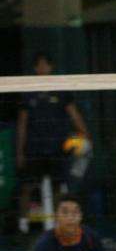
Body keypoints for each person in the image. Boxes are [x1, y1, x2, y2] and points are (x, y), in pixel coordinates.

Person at [16, 53, 91, 234]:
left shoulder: (61, 89)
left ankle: (61, 224)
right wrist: (19, 151)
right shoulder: (27, 91)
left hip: (57, 148)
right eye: (39, 65)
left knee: (59, 188)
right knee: (27, 187)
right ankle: (23, 225)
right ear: (35, 68)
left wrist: (86, 134)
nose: (42, 68)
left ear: (51, 67)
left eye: (45, 65)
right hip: (34, 148)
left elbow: (74, 114)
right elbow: (22, 123)